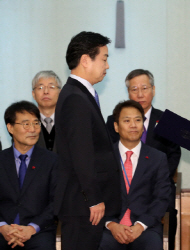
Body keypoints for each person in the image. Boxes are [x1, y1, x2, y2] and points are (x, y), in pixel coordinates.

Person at [54, 31, 122, 250]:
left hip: (81, 202)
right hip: (81, 203)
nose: (107, 65)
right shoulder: (75, 97)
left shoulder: (80, 93)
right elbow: (81, 153)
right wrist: (93, 198)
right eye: (104, 58)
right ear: (85, 60)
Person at [106, 69, 181, 250]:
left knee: (168, 210)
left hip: (156, 183)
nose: (140, 94)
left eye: (145, 88)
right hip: (119, 189)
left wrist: (156, 175)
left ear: (153, 90)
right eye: (134, 89)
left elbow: (174, 154)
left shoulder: (166, 120)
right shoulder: (112, 120)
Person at [99, 100, 171, 250]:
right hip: (110, 227)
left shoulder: (157, 158)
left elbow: (162, 197)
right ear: (116, 126)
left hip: (145, 227)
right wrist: (111, 224)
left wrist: (140, 226)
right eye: (127, 120)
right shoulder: (102, 158)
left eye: (138, 120)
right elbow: (95, 196)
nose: (133, 125)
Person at [0, 101, 57, 249]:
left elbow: (56, 202)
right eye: (26, 124)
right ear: (10, 127)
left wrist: (31, 228)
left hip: (39, 231)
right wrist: (3, 227)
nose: (33, 129)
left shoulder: (52, 160)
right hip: (3, 229)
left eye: (36, 123)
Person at [32, 70, 62, 152]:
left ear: (60, 93)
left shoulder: (70, 121)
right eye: (40, 88)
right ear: (33, 94)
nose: (46, 92)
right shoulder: (26, 125)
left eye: (51, 87)